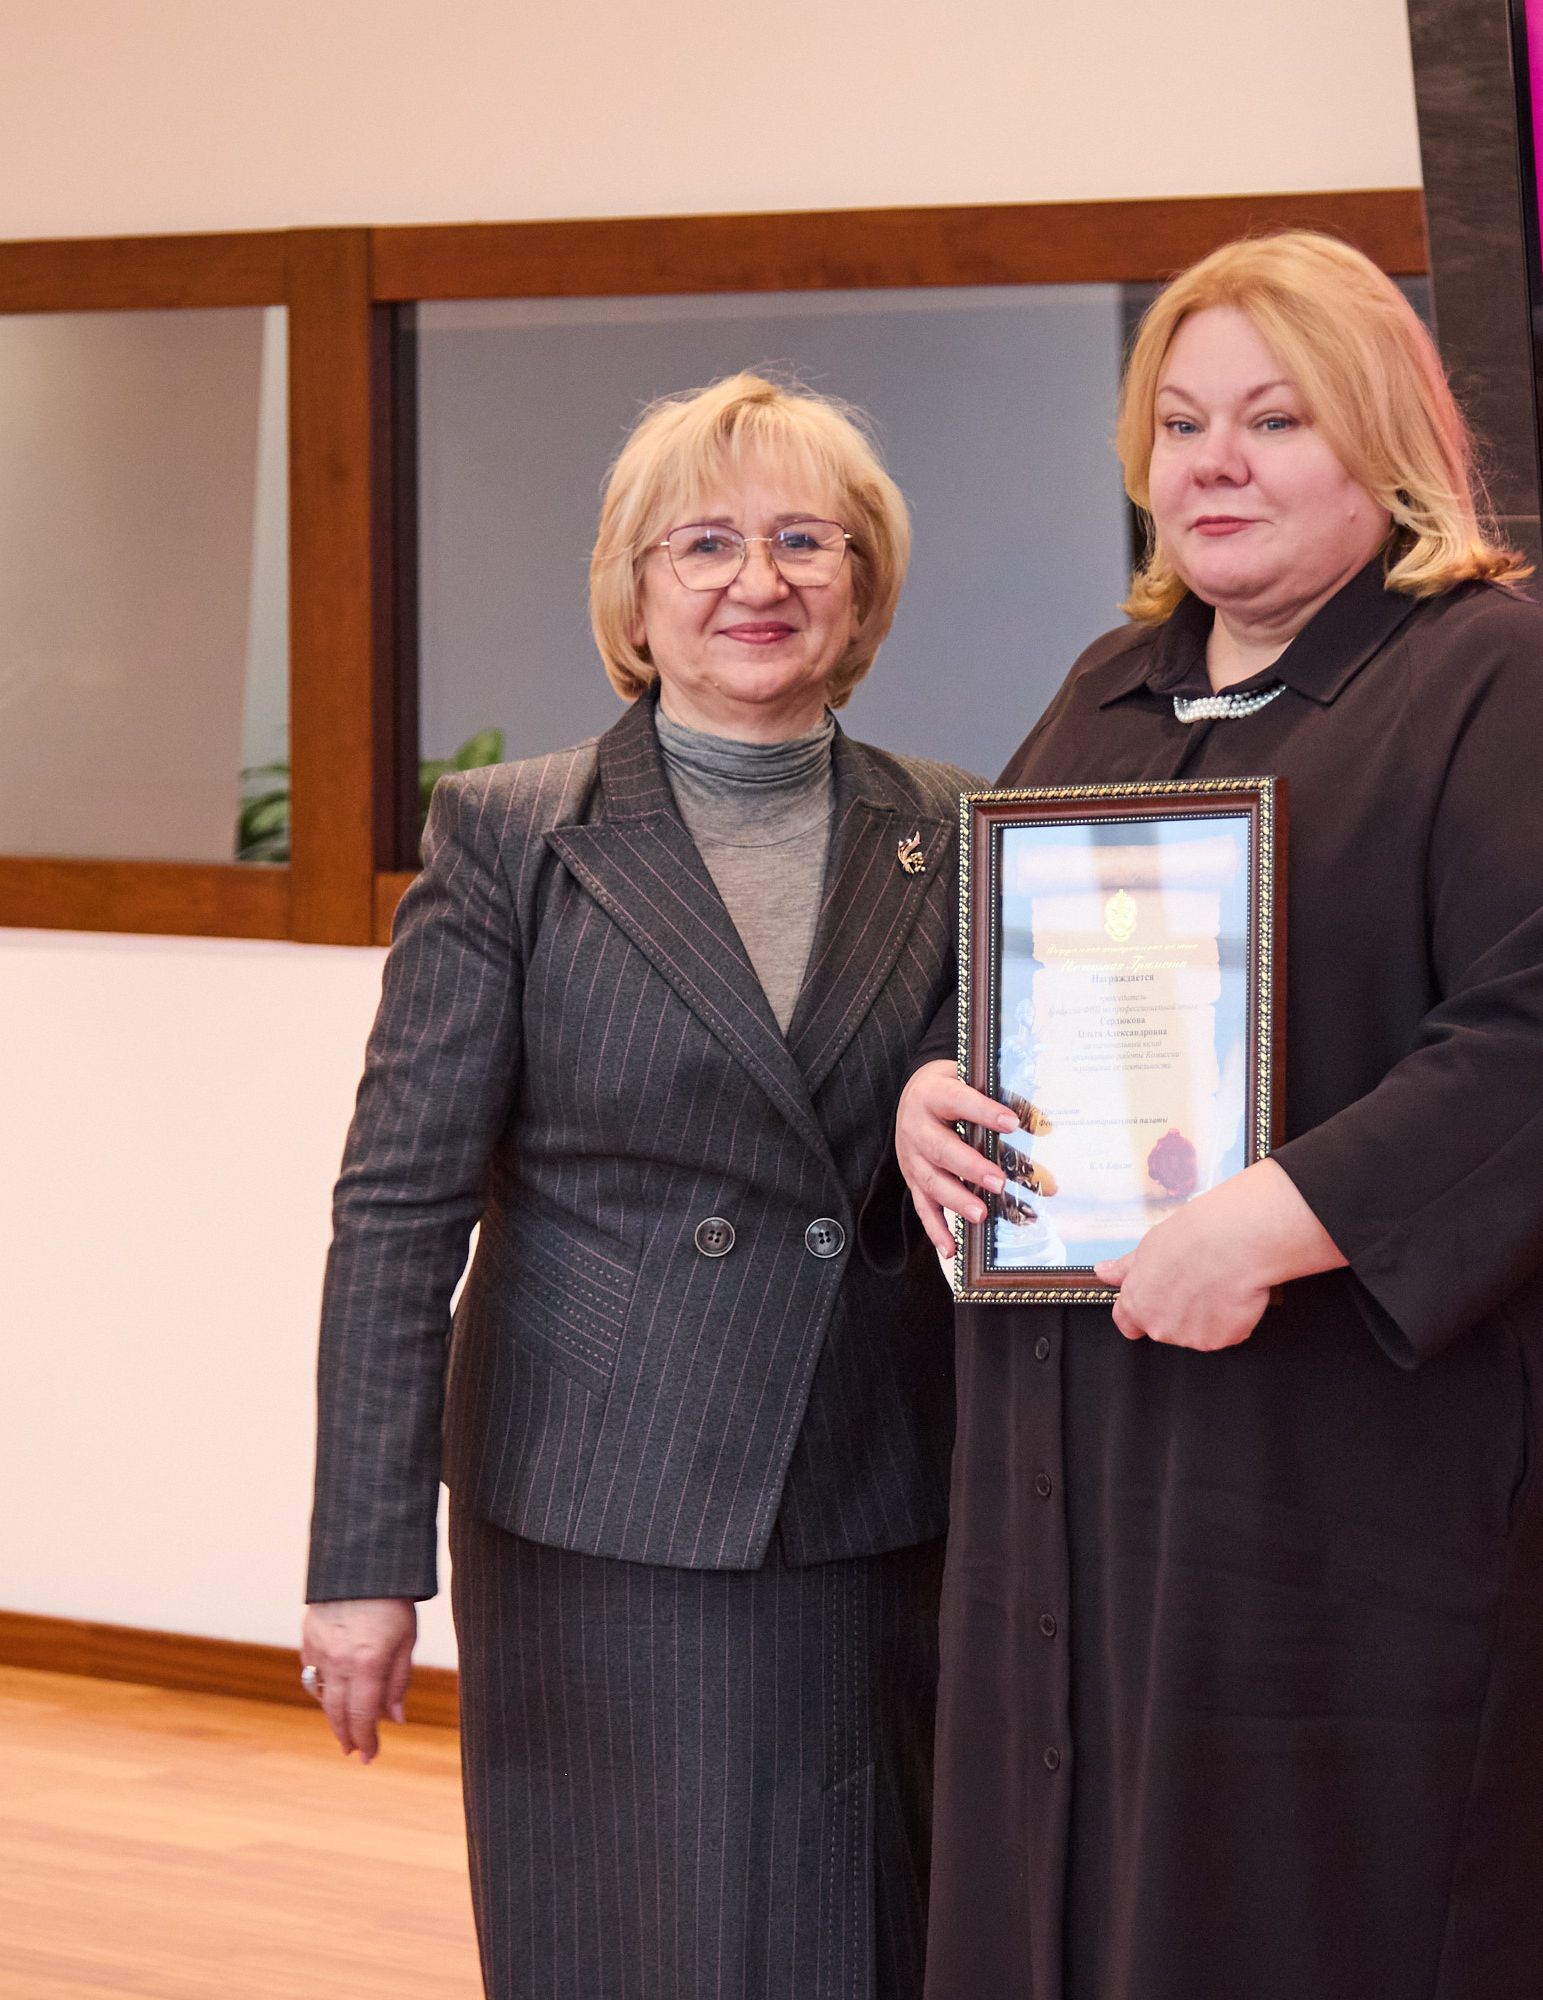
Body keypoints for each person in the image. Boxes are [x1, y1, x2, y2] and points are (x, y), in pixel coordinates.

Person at [893, 233, 1543, 1999]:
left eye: (1274, 420)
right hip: (1087, 1449)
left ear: (1384, 442)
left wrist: (1269, 1224)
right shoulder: (1106, 694)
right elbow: (1008, 989)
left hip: (1357, 1485)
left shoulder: (1510, 686)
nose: (1215, 464)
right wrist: (933, 1094)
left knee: (1305, 1910)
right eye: (1181, 424)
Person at [305, 373, 976, 2000]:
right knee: (615, 1937)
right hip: (597, 1502)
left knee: (854, 1938)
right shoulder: (512, 836)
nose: (760, 581)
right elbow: (397, 1212)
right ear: (636, 588)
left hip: (871, 1489)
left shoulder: (959, 830)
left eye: (805, 540)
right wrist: (362, 1558)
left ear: (862, 579)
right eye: (707, 544)